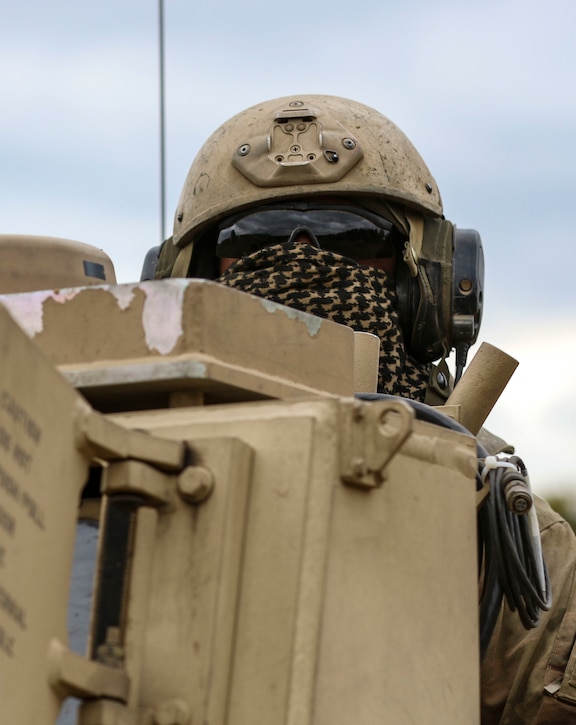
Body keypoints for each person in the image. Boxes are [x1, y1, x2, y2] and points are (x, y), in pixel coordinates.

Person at [153, 94, 576, 724]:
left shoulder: (497, 524)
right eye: (256, 240)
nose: (303, 261)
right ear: (199, 278)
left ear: (424, 286)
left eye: (349, 237)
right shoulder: (109, 463)